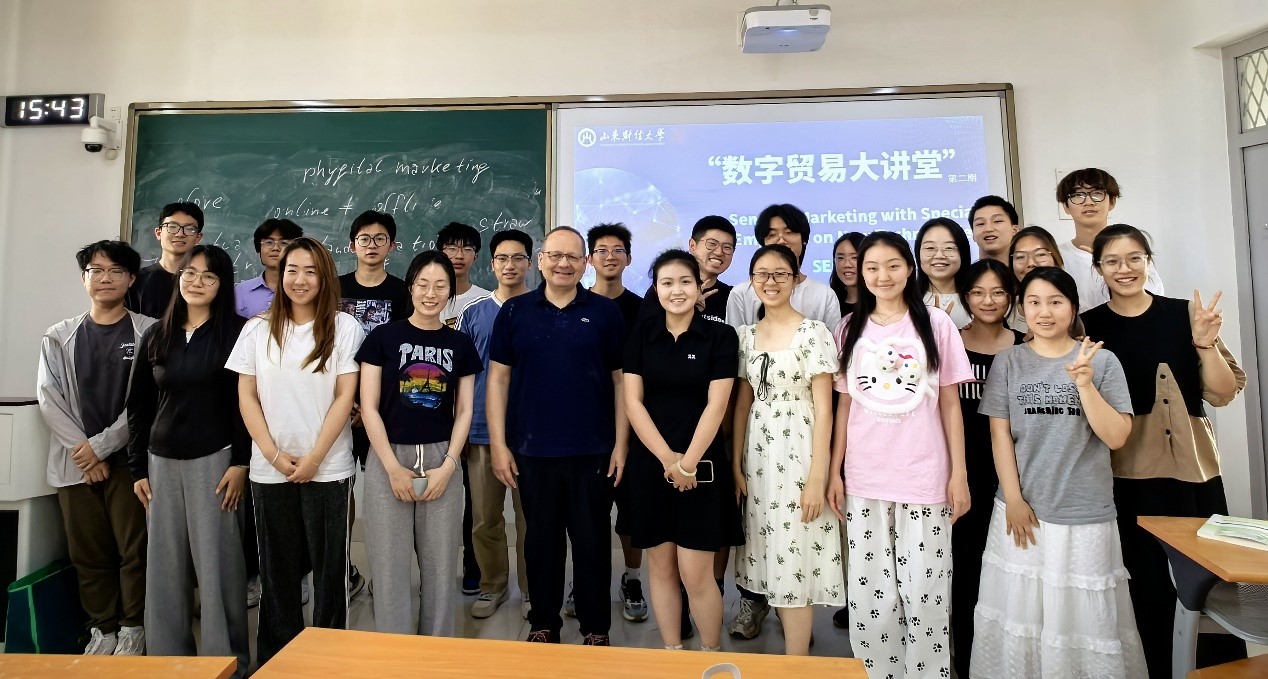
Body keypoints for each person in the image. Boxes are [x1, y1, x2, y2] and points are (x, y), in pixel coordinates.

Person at [1081, 225, 1248, 677]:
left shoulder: (1185, 314)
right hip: (1128, 475)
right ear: (1098, 269)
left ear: (1148, 261)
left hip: (1193, 470)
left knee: (1213, 583)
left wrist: (1204, 344)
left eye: (1134, 258)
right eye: (1112, 261)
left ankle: (1220, 670)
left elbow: (1223, 393)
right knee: (1148, 587)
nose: (1124, 269)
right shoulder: (1089, 326)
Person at [972, 266, 1146, 678]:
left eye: (1055, 302)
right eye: (1034, 302)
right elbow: (1000, 436)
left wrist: (1085, 385)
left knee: (1082, 620)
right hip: (1021, 513)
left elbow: (1117, 436)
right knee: (1021, 615)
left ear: (1073, 306)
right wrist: (1014, 499)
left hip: (1084, 513)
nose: (1044, 312)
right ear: (1021, 308)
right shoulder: (1008, 362)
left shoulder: (1101, 360)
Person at [828, 231, 973, 678]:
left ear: (910, 268)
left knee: (926, 591)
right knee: (871, 595)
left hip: (924, 477)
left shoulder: (936, 323)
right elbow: (844, 406)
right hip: (865, 478)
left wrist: (959, 474)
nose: (882, 275)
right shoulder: (848, 328)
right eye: (872, 267)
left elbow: (951, 404)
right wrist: (834, 472)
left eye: (892, 265)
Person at [226, 237, 364, 665]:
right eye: (292, 270)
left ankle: (327, 661)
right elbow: (246, 395)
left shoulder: (345, 327)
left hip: (329, 467)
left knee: (329, 573)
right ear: (279, 274)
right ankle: (278, 662)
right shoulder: (256, 328)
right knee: (277, 572)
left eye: (311, 271)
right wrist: (271, 454)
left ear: (325, 277)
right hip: (270, 469)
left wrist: (315, 458)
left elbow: (345, 396)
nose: (300, 280)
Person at [486, 226, 626, 646]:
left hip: (594, 450)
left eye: (573, 257)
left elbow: (621, 382)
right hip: (532, 450)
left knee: (592, 543)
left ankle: (595, 627)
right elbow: (498, 381)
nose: (564, 264)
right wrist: (499, 445)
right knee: (541, 542)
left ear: (585, 263)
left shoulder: (605, 313)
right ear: (542, 260)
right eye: (556, 256)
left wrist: (621, 444)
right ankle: (543, 623)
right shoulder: (515, 311)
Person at [126, 244, 249, 675]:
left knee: (218, 565)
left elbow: (247, 404)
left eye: (208, 276)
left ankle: (226, 661)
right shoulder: (156, 334)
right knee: (165, 567)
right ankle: (167, 662)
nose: (197, 282)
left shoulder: (238, 333)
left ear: (222, 284)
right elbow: (138, 407)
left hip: (215, 461)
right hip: (160, 462)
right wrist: (138, 468)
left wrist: (241, 462)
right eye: (190, 274)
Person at [725, 203, 840, 640]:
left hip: (800, 455)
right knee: (769, 552)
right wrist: (736, 465)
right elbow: (742, 404)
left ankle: (797, 661)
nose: (771, 282)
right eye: (762, 275)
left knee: (797, 558)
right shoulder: (746, 336)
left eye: (780, 275)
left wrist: (818, 476)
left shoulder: (814, 333)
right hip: (759, 459)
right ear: (752, 281)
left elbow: (825, 408)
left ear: (794, 279)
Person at [37, 240, 155, 655]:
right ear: (84, 278)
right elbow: (48, 398)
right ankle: (101, 629)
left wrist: (101, 447)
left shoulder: (149, 331)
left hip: (129, 463)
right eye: (96, 270)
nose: (105, 278)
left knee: (134, 550)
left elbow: (147, 400)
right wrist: (85, 453)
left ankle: (133, 627)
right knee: (87, 552)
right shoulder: (59, 335)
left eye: (115, 271)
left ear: (131, 279)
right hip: (75, 464)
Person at [356, 250, 483, 637]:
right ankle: (394, 652)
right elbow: (368, 407)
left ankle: (436, 650)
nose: (431, 293)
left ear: (450, 292)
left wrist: (449, 465)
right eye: (423, 284)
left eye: (440, 286)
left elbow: (464, 410)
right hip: (389, 457)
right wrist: (392, 468)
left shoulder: (460, 344)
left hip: (442, 456)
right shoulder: (382, 338)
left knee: (441, 567)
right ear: (410, 287)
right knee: (389, 566)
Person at [625, 249, 743, 652]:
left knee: (696, 574)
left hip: (702, 469)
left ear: (699, 286)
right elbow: (633, 403)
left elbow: (717, 404)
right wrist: (667, 460)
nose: (676, 290)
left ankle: (710, 655)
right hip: (651, 465)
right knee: (660, 569)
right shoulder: (641, 334)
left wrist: (688, 463)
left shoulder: (720, 336)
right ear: (656, 289)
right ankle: (673, 655)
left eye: (685, 282)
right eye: (667, 283)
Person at [950, 258, 1023, 677]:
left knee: (1010, 572)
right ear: (966, 298)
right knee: (965, 570)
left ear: (1011, 297)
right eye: (977, 292)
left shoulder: (1027, 346)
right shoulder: (950, 342)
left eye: (997, 292)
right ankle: (966, 660)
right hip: (961, 473)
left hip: (1015, 476)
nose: (988, 300)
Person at [457, 229, 535, 620]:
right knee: (484, 519)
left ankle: (534, 591)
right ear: (491, 264)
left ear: (530, 263)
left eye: (518, 258)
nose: (510, 265)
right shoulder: (474, 314)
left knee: (532, 520)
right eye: (502, 258)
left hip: (531, 434)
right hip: (482, 432)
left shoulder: (542, 309)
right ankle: (492, 585)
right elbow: (460, 376)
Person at [339, 209, 411, 599]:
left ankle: (387, 575)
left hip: (385, 409)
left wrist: (371, 406)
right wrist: (348, 404)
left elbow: (406, 354)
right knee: (340, 490)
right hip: (339, 407)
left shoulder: (403, 292)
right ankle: (344, 569)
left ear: (392, 246)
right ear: (352, 245)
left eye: (380, 238)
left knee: (385, 495)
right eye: (364, 238)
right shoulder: (333, 288)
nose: (371, 245)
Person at [585, 222, 647, 623]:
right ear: (589, 258)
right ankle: (587, 581)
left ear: (629, 257)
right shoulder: (575, 303)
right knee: (587, 513)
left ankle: (632, 578)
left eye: (617, 250)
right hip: (587, 426)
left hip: (634, 426)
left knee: (630, 513)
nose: (610, 256)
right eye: (602, 250)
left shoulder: (642, 309)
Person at [436, 220, 488, 596]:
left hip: (469, 414)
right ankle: (434, 572)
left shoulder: (485, 301)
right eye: (451, 247)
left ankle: (474, 566)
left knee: (474, 500)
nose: (458, 255)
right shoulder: (425, 295)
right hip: (429, 412)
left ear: (476, 256)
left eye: (466, 248)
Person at [1055, 168, 1163, 310]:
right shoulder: (1057, 257)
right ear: (1065, 206)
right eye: (1077, 195)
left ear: (1112, 201)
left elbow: (1153, 302)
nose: (1088, 202)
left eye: (1097, 193)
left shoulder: (1133, 252)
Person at [128, 202, 204, 319]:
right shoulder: (136, 282)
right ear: (158, 233)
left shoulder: (205, 283)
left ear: (198, 237)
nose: (180, 234)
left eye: (190, 229)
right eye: (172, 227)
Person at [235, 218, 304, 319]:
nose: (275, 248)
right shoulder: (240, 291)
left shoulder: (304, 289)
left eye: (284, 243)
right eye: (269, 242)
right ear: (258, 250)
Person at [915, 217, 972, 328]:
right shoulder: (906, 301)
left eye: (949, 248)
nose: (939, 255)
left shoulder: (979, 300)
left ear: (963, 253)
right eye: (930, 248)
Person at [1006, 226, 1065, 332]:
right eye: (1020, 257)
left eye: (1040, 254)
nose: (1031, 263)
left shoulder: (1078, 309)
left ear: (1055, 259)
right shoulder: (1005, 311)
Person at [968, 195, 1020, 265]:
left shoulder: (1028, 270)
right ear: (973, 235)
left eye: (997, 221)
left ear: (1015, 230)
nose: (988, 229)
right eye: (980, 223)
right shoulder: (967, 272)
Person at [829, 232, 864, 317]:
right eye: (841, 258)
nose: (847, 265)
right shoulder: (830, 304)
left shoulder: (881, 304)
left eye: (855, 258)